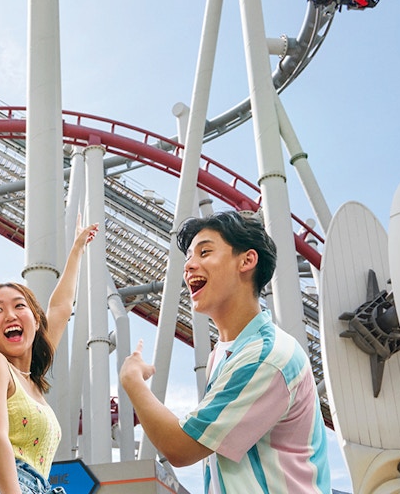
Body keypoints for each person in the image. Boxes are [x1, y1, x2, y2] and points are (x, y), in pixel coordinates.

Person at [119, 211, 331, 493]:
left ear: (247, 260)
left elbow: (181, 447)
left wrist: (132, 380)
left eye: (205, 252)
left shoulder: (265, 356)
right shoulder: (222, 354)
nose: (190, 266)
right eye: (188, 259)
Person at [0, 222, 100, 494]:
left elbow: (61, 308)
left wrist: (77, 250)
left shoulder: (31, 382)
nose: (10, 315)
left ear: (36, 321)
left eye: (19, 306)